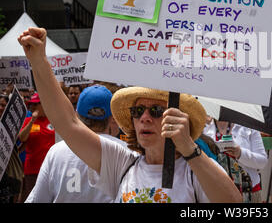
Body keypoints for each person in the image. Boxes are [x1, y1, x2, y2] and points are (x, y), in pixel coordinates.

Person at [18, 27, 241, 203]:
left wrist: (190, 151)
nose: (144, 118)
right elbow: (69, 123)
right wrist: (39, 61)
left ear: (179, 119)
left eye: (156, 111)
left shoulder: (195, 171)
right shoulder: (122, 162)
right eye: (137, 111)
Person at [25, 85, 130, 203]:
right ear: (112, 118)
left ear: (77, 115)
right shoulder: (128, 154)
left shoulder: (56, 152)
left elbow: (38, 199)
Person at [203, 120, 268, 203]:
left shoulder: (249, 128)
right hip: (217, 192)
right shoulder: (204, 130)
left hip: (247, 191)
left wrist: (240, 153)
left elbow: (262, 162)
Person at [18, 92, 55, 202]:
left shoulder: (54, 120)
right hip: (33, 169)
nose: (32, 107)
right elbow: (22, 138)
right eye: (31, 104)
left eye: (36, 104)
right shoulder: (28, 121)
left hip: (51, 169)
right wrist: (32, 121)